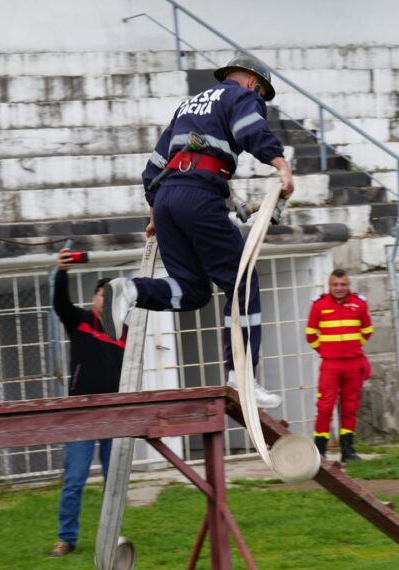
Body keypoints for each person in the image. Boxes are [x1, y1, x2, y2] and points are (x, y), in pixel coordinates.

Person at [101, 54, 292, 409]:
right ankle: (242, 376)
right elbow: (251, 131)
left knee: (192, 291)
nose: (259, 99)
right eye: (262, 94)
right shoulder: (241, 96)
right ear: (255, 84)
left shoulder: (187, 105)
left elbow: (155, 163)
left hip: (167, 199)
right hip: (200, 194)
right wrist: (281, 165)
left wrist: (156, 210)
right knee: (242, 281)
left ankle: (127, 290)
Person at [48, 249, 125, 558]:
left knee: (114, 483)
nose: (106, 300)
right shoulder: (79, 321)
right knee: (75, 481)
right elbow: (59, 304)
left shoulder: (124, 332)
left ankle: (111, 536)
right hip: (80, 416)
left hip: (112, 417)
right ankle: (67, 538)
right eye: (102, 295)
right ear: (94, 298)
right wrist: (62, 272)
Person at [306, 269, 373, 462]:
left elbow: (367, 331)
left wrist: (352, 348)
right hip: (330, 365)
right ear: (329, 286)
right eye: (335, 285)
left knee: (350, 407)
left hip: (353, 364)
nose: (339, 288)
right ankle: (320, 452)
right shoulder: (319, 305)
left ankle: (348, 450)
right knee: (325, 408)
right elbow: (311, 335)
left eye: (343, 284)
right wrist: (326, 351)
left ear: (348, 285)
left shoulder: (359, 303)